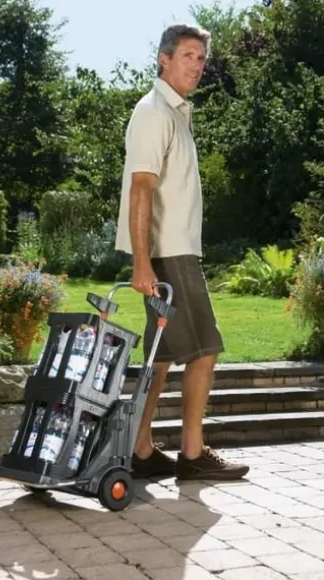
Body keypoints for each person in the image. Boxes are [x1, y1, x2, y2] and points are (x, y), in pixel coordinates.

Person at [115, 24, 250, 481]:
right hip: (168, 254)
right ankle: (193, 453)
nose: (197, 65)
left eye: (201, 58)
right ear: (164, 59)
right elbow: (141, 189)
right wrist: (142, 262)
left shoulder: (174, 113)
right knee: (206, 348)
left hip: (171, 250)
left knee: (161, 355)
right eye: (188, 55)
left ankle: (139, 448)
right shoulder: (154, 112)